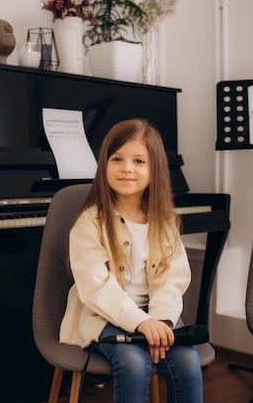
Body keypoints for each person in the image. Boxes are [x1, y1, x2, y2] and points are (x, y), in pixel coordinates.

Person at [59, 119, 203, 403]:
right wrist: (141, 323)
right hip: (104, 315)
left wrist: (160, 319)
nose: (127, 167)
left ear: (155, 170)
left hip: (156, 312)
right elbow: (97, 287)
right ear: (104, 164)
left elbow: (171, 278)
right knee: (134, 364)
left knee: (188, 362)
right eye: (117, 159)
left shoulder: (165, 221)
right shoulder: (91, 222)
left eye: (139, 160)